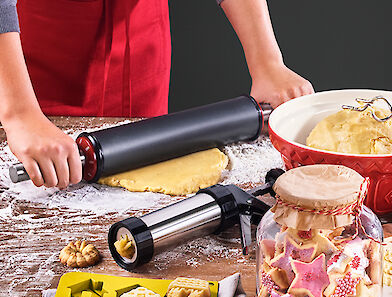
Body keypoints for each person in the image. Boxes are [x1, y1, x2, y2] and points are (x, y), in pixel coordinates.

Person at [0, 0, 313, 189]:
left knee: (142, 164)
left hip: (139, 45)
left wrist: (266, 61)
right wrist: (19, 113)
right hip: (24, 61)